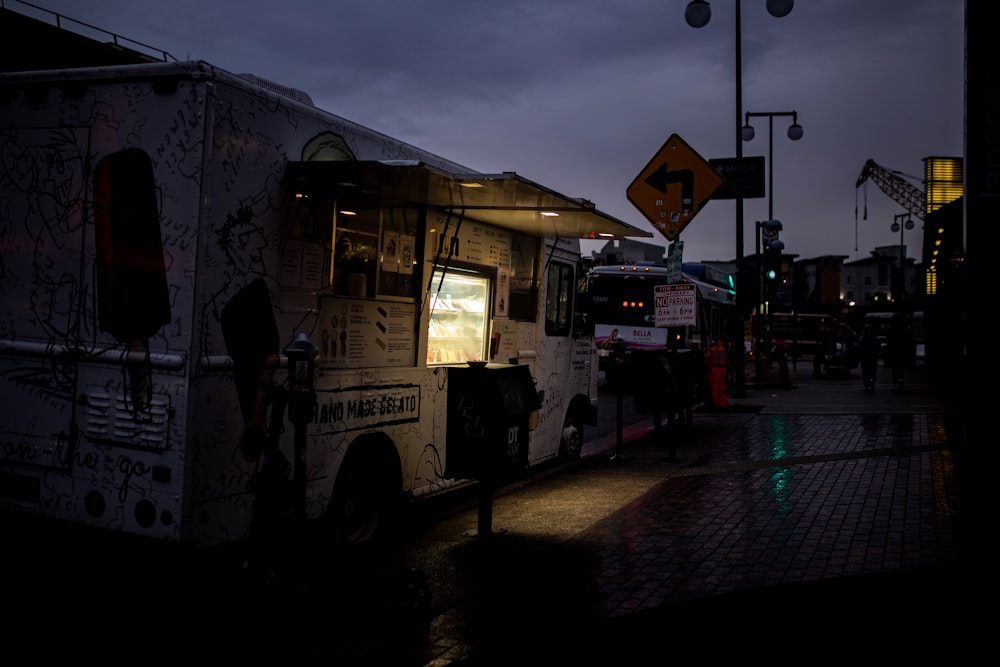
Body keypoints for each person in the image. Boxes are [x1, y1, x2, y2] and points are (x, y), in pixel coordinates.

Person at [858, 324, 880, 391]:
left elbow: (860, 349)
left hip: (865, 358)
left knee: (865, 372)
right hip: (872, 358)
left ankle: (867, 383)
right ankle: (871, 382)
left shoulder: (862, 339)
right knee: (872, 372)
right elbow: (878, 348)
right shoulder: (874, 339)